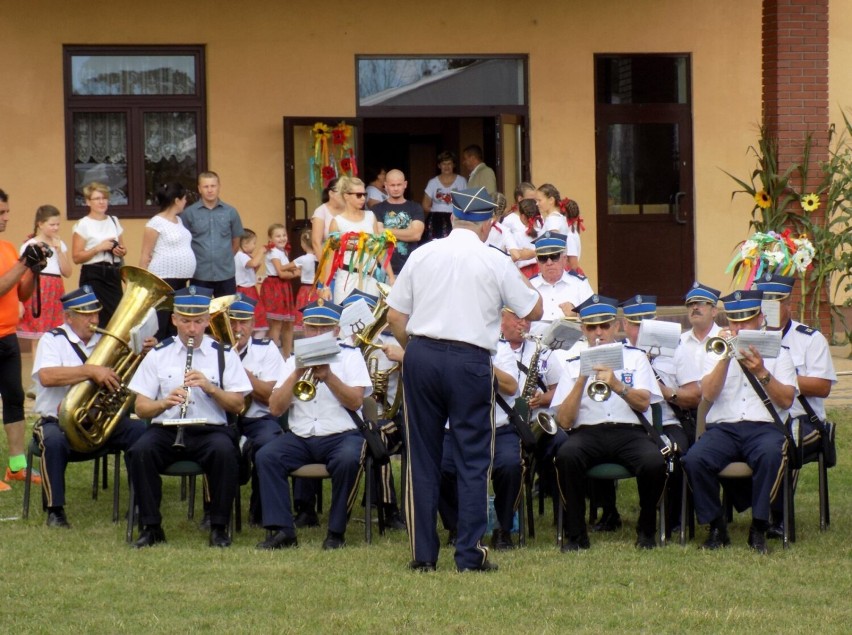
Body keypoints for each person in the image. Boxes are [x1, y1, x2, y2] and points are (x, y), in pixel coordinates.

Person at [386, 186, 543, 573]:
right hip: (471, 358)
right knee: (473, 456)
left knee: (422, 456)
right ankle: (470, 554)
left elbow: (394, 318)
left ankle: (423, 555)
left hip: (422, 352)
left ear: (452, 218)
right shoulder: (495, 258)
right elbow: (534, 309)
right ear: (489, 223)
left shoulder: (422, 253)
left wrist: (418, 352)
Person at [126, 285, 252, 548]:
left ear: (207, 320)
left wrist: (210, 388)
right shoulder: (158, 355)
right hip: (167, 428)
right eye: (185, 321)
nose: (192, 329)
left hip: (210, 430)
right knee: (140, 451)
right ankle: (151, 526)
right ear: (174, 320)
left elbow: (238, 404)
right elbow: (141, 408)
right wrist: (163, 402)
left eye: (197, 322)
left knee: (225, 452)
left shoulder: (224, 355)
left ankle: (219, 527)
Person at [682, 290, 797, 554]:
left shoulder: (780, 352)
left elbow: (787, 400)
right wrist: (724, 358)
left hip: (764, 428)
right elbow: (708, 395)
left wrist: (761, 371)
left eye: (745, 321)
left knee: (770, 455)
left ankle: (759, 526)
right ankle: (716, 526)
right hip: (724, 428)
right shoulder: (715, 350)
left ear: (759, 319)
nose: (739, 327)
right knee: (694, 459)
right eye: (734, 321)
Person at [551, 295, 666, 551]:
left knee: (654, 462)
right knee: (567, 456)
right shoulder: (572, 364)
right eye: (592, 327)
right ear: (583, 329)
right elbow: (565, 421)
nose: (599, 332)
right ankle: (576, 535)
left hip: (630, 432)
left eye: (604, 326)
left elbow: (644, 403)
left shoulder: (636, 358)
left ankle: (646, 530)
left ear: (616, 326)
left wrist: (616, 384)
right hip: (587, 433)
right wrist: (582, 378)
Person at [256, 299, 372, 551]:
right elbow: (275, 408)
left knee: (348, 460)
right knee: (267, 456)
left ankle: (336, 532)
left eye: (325, 328)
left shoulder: (351, 356)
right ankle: (282, 531)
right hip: (301, 437)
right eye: (312, 328)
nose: (318, 334)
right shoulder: (293, 360)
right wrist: (297, 373)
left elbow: (355, 401)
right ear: (304, 329)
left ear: (337, 330)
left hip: (342, 435)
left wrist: (329, 377)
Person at [31, 286, 147, 526]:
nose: (93, 320)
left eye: (96, 314)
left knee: (141, 433)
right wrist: (90, 371)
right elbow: (46, 376)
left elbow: (125, 381)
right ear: (68, 317)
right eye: (86, 315)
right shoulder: (52, 340)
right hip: (56, 421)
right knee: (53, 441)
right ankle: (55, 511)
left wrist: (142, 353)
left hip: (97, 422)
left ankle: (140, 503)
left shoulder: (107, 341)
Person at [752, 272, 836, 539]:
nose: (771, 307)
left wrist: (780, 378)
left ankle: (780, 517)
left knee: (787, 439)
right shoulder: (750, 337)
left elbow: (822, 386)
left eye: (777, 300)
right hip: (760, 415)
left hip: (804, 419)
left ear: (788, 303)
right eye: (765, 301)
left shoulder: (810, 339)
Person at [616, 295, 701, 535]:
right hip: (630, 425)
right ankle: (610, 514)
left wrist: (666, 393)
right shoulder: (618, 353)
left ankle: (675, 519)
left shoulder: (677, 351)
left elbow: (694, 396)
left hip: (666, 422)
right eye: (634, 325)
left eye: (646, 324)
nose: (640, 331)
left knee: (676, 453)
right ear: (624, 326)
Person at [0, 188, 44, 491]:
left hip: (8, 335)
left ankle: (16, 466)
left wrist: (34, 269)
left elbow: (21, 294)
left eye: (6, 212)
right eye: (0, 213)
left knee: (15, 399)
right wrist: (23, 264)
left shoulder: (6, 247)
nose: (5, 218)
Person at [227, 295, 285, 525]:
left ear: (252, 325)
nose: (237, 329)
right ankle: (215, 512)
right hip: (223, 417)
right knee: (215, 444)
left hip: (258, 419)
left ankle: (259, 510)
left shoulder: (266, 349)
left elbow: (271, 398)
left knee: (270, 445)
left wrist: (244, 376)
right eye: (232, 322)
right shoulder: (214, 349)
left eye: (243, 323)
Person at [139, 182, 196, 340]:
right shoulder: (155, 223)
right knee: (161, 321)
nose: (185, 202)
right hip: (163, 279)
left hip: (181, 281)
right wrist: (142, 284)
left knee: (176, 321)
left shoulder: (179, 220)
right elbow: (145, 254)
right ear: (177, 200)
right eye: (184, 199)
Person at [71, 182, 128, 328]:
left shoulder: (114, 221)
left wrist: (119, 250)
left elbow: (123, 249)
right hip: (94, 275)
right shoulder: (83, 224)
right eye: (97, 198)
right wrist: (98, 248)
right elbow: (76, 257)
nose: (102, 202)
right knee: (95, 317)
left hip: (113, 273)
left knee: (117, 317)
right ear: (88, 202)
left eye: (104, 198)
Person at [181, 171, 244, 297]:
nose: (210, 190)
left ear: (219, 187)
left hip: (225, 274)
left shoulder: (231, 212)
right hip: (199, 274)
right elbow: (184, 242)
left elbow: (236, 241)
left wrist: (224, 259)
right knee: (199, 314)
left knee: (225, 313)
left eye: (213, 186)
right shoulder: (189, 213)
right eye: (206, 186)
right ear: (199, 189)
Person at [18, 205, 72, 340]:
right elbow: (22, 272)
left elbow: (67, 272)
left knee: (56, 332)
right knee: (38, 334)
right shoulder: (30, 244)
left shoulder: (60, 244)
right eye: (52, 224)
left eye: (58, 224)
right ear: (40, 224)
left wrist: (59, 250)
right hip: (37, 288)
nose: (55, 228)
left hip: (56, 288)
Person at [528, 231, 593, 335]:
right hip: (536, 345)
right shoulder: (529, 286)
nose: (549, 263)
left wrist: (576, 316)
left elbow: (593, 319)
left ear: (564, 259)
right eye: (543, 258)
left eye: (554, 257)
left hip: (572, 346)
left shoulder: (580, 284)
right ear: (537, 262)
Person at [374, 169, 425, 275]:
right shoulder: (377, 209)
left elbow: (416, 235)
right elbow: (377, 234)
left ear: (405, 184)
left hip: (410, 269)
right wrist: (407, 232)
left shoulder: (415, 208)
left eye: (399, 184)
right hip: (384, 270)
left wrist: (385, 230)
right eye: (392, 185)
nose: (396, 188)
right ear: (386, 185)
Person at [261, 223, 297, 356]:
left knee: (288, 323)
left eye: (284, 235)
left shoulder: (282, 251)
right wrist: (296, 273)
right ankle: (273, 355)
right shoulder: (274, 252)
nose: (282, 238)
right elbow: (280, 272)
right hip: (275, 286)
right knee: (276, 324)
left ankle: (287, 355)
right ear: (270, 239)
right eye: (278, 236)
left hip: (284, 286)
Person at [422, 151, 467, 241]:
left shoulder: (461, 181)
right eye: (444, 164)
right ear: (439, 166)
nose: (446, 167)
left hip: (455, 218)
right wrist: (438, 210)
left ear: (453, 165)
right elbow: (425, 205)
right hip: (435, 220)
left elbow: (465, 203)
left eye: (449, 163)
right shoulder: (433, 182)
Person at [536, 184, 581, 271]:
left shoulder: (553, 220)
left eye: (539, 200)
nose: (537, 203)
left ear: (551, 200)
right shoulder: (559, 218)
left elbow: (552, 245)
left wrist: (530, 253)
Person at [679, 282, 723, 372]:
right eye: (690, 304)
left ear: (714, 311)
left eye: (701, 303)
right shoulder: (680, 342)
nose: (694, 307)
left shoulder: (726, 339)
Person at [233, 229, 268, 335]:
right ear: (245, 244)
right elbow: (253, 263)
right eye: (253, 243)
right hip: (245, 290)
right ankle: (255, 339)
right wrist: (261, 252)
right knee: (256, 314)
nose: (254, 246)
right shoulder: (241, 255)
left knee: (256, 314)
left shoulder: (243, 256)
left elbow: (251, 270)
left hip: (248, 289)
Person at [502, 198, 542, 278]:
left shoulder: (517, 235)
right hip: (541, 271)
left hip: (522, 273)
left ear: (523, 217)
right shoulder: (543, 232)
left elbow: (513, 256)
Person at [291, 228, 318, 330]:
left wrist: (295, 271)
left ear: (303, 244)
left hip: (305, 290)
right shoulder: (319, 258)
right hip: (316, 289)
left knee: (304, 314)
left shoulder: (302, 259)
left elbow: (283, 268)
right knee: (315, 314)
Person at [310, 178, 344, 257]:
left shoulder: (348, 209)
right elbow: (316, 242)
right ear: (331, 193)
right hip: (328, 258)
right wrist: (324, 266)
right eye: (341, 191)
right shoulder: (321, 211)